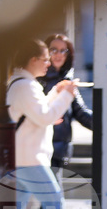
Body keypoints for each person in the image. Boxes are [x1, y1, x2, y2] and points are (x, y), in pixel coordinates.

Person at [7, 39, 78, 209]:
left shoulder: (22, 83)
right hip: (29, 158)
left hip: (23, 157)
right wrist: (67, 95)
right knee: (55, 203)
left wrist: (56, 91)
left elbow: (37, 112)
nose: (49, 63)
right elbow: (45, 117)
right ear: (33, 60)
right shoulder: (26, 86)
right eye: (45, 59)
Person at [39, 33, 93, 174]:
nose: (59, 54)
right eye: (54, 49)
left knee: (54, 194)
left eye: (64, 50)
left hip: (59, 153)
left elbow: (81, 113)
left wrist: (106, 122)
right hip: (40, 151)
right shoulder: (37, 80)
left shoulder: (68, 81)